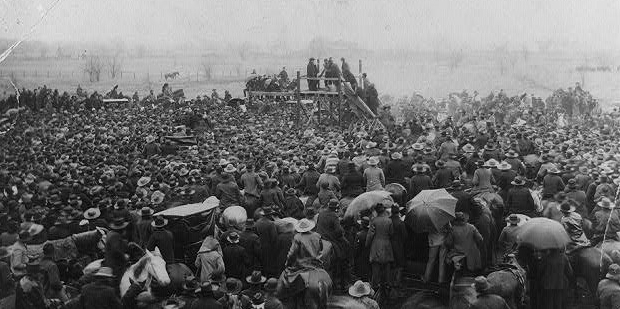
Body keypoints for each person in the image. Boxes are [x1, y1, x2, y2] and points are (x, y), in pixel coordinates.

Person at [365, 203, 393, 289]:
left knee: (376, 268)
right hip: (387, 245)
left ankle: (375, 286)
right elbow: (391, 233)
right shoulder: (389, 221)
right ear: (384, 210)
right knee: (387, 267)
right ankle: (387, 285)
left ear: (376, 211)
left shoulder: (374, 221)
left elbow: (370, 235)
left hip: (376, 245)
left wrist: (367, 245)